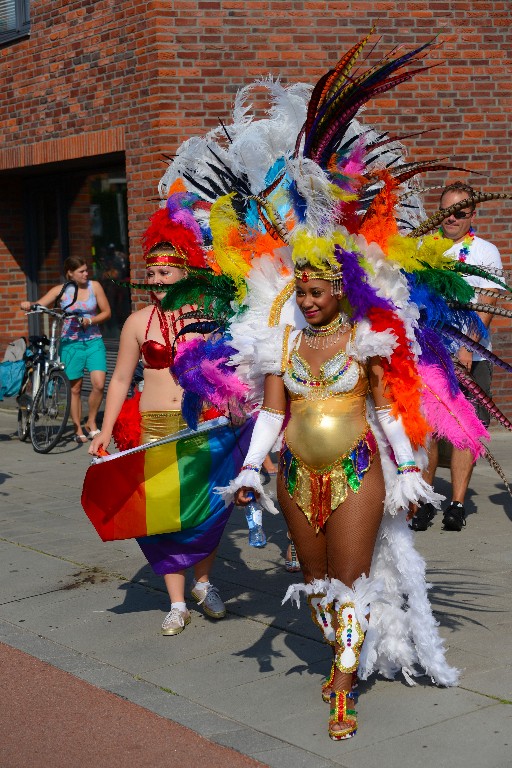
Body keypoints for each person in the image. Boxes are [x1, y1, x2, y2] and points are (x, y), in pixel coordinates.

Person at [88, 214, 247, 636]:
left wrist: (233, 400)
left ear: (186, 273)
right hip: (154, 427)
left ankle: (205, 583)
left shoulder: (210, 316)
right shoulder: (137, 323)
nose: (157, 280)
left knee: (209, 510)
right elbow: (121, 378)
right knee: (162, 515)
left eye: (165, 272)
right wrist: (104, 430)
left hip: (203, 426)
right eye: (152, 273)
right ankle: (177, 603)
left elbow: (226, 370)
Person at [410, 181, 504, 532]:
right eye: (447, 211)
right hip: (430, 354)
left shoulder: (485, 252)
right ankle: (425, 500)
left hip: (470, 356)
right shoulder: (422, 248)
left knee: (464, 429)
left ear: (471, 215)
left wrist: (469, 345)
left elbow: (488, 302)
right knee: (429, 430)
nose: (453, 218)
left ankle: (458, 503)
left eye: (460, 212)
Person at [20, 256, 111, 442]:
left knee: (99, 383)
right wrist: (29, 305)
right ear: (70, 273)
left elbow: (107, 312)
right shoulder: (61, 291)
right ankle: (78, 428)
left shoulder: (95, 287)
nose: (86, 274)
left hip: (94, 341)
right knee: (75, 388)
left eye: (86, 270)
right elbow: (41, 303)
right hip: (71, 344)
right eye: (81, 271)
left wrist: (90, 320)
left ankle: (91, 421)